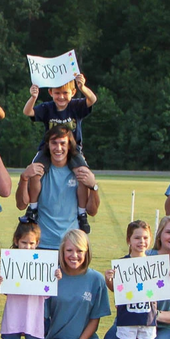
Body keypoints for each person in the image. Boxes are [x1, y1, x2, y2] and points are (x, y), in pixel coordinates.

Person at [21, 74, 98, 232]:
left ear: (72, 93)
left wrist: (82, 87)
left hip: (73, 149)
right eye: (57, 93)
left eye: (65, 93)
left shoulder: (75, 106)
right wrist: (33, 97)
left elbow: (92, 100)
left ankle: (81, 214)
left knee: (82, 175)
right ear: (50, 93)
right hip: (48, 149)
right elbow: (27, 112)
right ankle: (33, 208)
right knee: (36, 172)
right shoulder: (47, 107)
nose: (61, 97)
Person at [106, 220, 168, 339]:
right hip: (128, 318)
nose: (142, 241)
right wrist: (109, 280)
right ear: (129, 240)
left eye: (145, 238)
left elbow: (161, 287)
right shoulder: (123, 264)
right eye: (137, 238)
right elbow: (116, 290)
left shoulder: (154, 264)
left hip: (147, 317)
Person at [43, 230, 111, 339]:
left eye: (80, 251)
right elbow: (42, 313)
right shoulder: (52, 276)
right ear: (62, 251)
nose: (74, 255)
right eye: (69, 251)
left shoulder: (96, 279)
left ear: (86, 252)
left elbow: (95, 319)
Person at [15, 125, 100, 247]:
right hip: (42, 243)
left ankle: (81, 215)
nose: (58, 148)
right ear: (48, 145)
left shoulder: (79, 172)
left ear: (69, 145)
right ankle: (33, 210)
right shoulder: (40, 169)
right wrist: (23, 178)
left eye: (62, 143)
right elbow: (21, 205)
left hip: (70, 246)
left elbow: (92, 211)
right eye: (54, 143)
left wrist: (93, 186)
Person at [0, 222, 54, 339]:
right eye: (24, 243)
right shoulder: (10, 261)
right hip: (14, 312)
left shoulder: (42, 264)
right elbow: (5, 289)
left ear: (37, 244)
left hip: (34, 314)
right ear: (16, 241)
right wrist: (0, 281)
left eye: (31, 243)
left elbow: (48, 291)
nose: (27, 247)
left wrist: (54, 277)